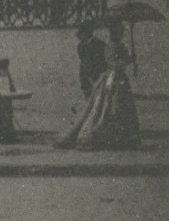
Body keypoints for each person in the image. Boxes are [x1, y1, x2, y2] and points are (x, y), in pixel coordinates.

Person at [55, 20, 142, 151]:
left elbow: (114, 62)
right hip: (109, 79)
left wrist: (131, 59)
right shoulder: (108, 46)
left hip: (113, 79)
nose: (120, 34)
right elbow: (110, 63)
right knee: (104, 107)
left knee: (113, 107)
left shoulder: (110, 45)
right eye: (118, 32)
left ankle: (120, 137)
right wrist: (126, 61)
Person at [76, 23, 108, 98]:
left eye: (82, 34)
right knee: (88, 95)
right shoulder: (81, 45)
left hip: (96, 74)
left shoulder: (99, 44)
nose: (81, 37)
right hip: (86, 75)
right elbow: (83, 61)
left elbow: (102, 61)